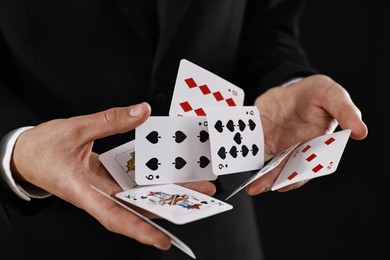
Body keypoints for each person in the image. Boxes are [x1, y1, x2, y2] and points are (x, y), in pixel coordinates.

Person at [0, 1, 368, 259]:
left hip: (219, 235)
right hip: (46, 236)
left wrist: (288, 81)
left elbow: (266, 25)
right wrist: (18, 149)